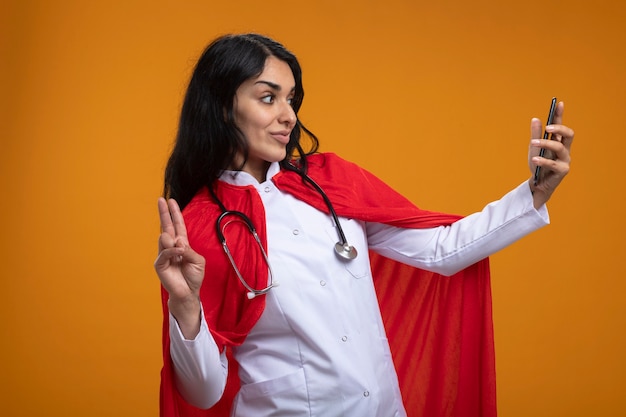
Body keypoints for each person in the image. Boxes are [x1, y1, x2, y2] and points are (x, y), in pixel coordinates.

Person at [154, 33, 574, 417]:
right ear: (223, 107)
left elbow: (442, 250)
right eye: (268, 98)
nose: (289, 116)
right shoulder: (200, 229)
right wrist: (185, 306)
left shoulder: (331, 181)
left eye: (292, 100)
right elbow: (203, 393)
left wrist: (535, 193)